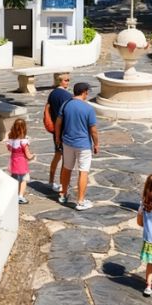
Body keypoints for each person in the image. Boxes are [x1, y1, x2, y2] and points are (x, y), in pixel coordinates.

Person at [54, 82, 100, 211]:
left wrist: (58, 138)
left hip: (67, 142)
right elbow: (93, 130)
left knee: (67, 168)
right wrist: (96, 144)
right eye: (87, 92)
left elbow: (58, 123)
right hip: (83, 145)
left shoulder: (66, 104)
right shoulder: (88, 108)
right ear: (84, 92)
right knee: (83, 171)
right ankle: (80, 201)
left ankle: (63, 194)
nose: (88, 94)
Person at [43, 73, 72, 192]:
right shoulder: (67, 96)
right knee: (66, 160)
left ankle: (51, 181)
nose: (68, 82)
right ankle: (62, 184)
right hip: (64, 131)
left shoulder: (52, 94)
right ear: (60, 81)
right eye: (66, 80)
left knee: (57, 155)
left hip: (56, 130)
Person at [6, 119, 35, 204]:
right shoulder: (24, 142)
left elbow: (9, 149)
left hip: (13, 162)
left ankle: (13, 194)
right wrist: (33, 156)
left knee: (14, 178)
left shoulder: (11, 141)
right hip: (22, 163)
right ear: (24, 128)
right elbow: (28, 155)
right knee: (23, 179)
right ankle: (20, 196)